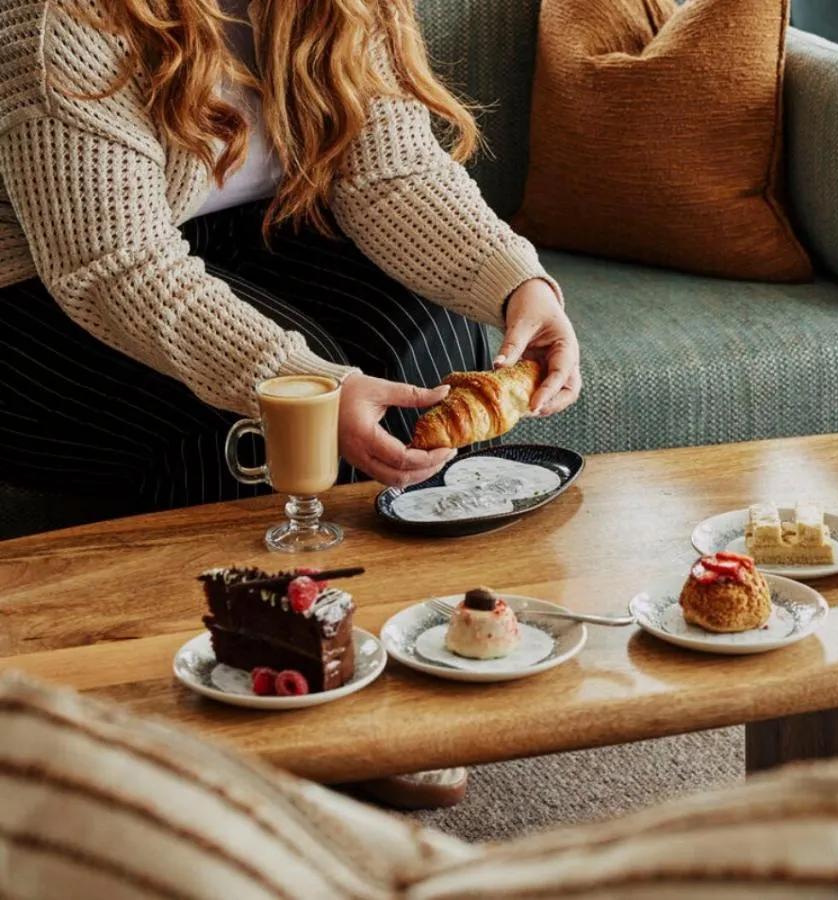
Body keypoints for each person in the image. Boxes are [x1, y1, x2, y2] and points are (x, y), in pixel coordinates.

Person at [0, 0, 581, 807]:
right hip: (41, 296)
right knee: (256, 430)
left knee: (437, 351)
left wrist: (519, 285)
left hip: (247, 236)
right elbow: (115, 266)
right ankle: (273, 704)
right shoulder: (58, 16)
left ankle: (401, 647)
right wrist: (304, 383)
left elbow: (393, 174)